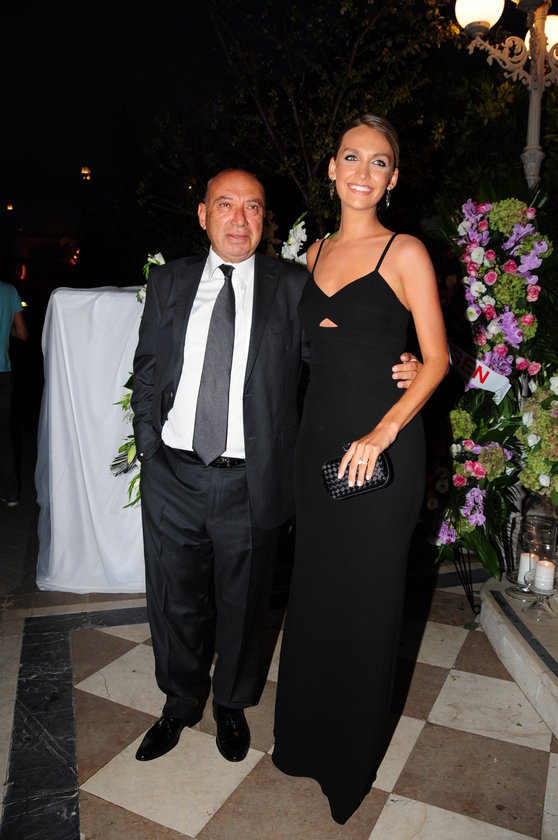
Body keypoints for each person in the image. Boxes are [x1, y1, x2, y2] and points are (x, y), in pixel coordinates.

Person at [130, 167, 420, 765]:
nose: (239, 218)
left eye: (253, 207)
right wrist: (150, 451)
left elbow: (340, 350)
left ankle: (231, 705)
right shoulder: (171, 281)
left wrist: (406, 361)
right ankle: (179, 702)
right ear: (203, 215)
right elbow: (149, 370)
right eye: (225, 205)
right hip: (173, 476)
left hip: (250, 479)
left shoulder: (290, 285)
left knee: (245, 603)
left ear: (266, 221)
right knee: (174, 600)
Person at [272, 115, 449, 823]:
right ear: (331, 167)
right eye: (352, 157)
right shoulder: (311, 253)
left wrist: (383, 429)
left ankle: (347, 764)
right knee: (317, 592)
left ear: (393, 177)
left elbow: (435, 359)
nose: (363, 172)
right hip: (318, 444)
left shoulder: (405, 252)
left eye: (379, 162)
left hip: (384, 449)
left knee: (367, 603)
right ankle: (303, 740)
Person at [0, 278, 28, 507]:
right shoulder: (10, 292)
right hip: (3, 374)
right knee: (3, 435)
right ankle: (11, 492)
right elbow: (23, 333)